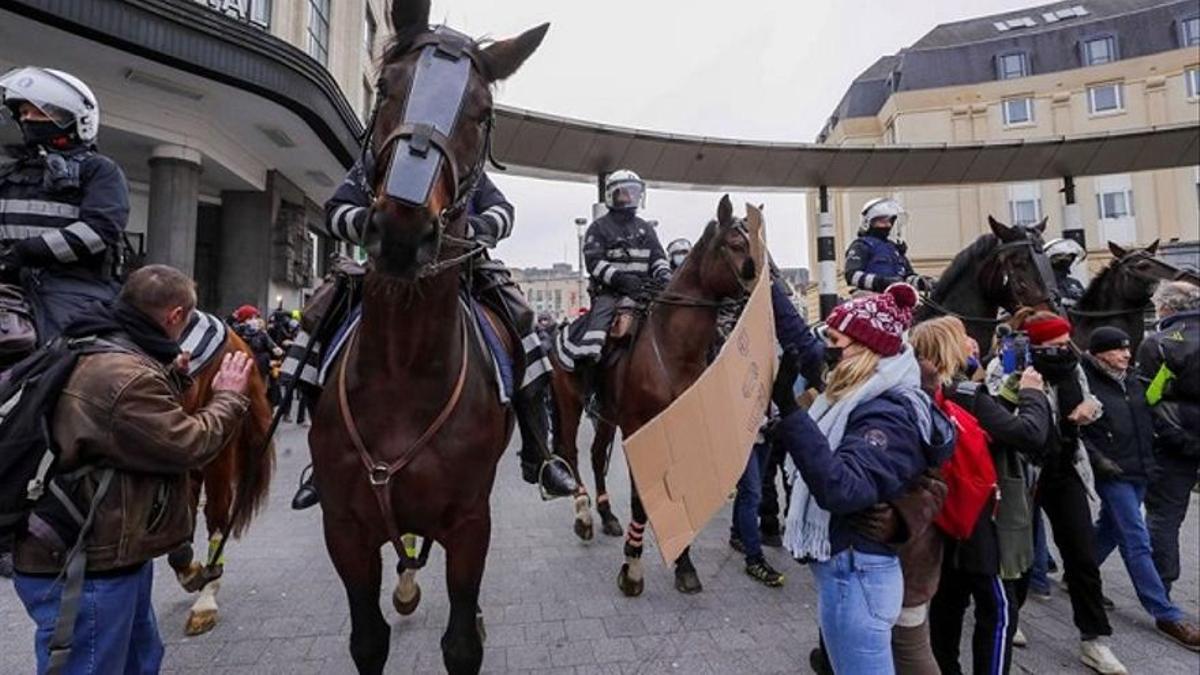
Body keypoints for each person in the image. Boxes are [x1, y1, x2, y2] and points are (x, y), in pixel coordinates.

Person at [288, 158, 575, 508]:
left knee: (523, 326)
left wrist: (466, 229)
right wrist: (374, 224)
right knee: (314, 326)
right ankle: (323, 462)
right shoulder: (378, 162)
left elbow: (503, 212)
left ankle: (540, 454)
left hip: (463, 272)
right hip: (384, 270)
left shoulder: (463, 166)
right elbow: (336, 211)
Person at [10, 264, 253, 674]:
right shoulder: (123, 374)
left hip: (108, 553)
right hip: (85, 564)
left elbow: (120, 427)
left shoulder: (94, 341)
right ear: (175, 316)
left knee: (139, 660)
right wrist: (227, 397)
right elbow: (189, 445)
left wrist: (173, 379)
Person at [773, 283, 955, 674]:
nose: (827, 350)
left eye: (835, 340)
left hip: (858, 575)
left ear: (863, 348)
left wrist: (789, 412)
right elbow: (802, 342)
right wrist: (767, 285)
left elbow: (844, 487)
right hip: (847, 571)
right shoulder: (860, 390)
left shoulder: (886, 410)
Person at [991, 310, 1127, 675]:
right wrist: (1020, 386)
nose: (1064, 349)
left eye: (1066, 341)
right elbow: (997, 415)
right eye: (1054, 344)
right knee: (1018, 552)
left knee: (1081, 553)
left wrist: (1088, 409)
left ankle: (1094, 640)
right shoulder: (1008, 367)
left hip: (1065, 468)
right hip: (1022, 472)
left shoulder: (1073, 366)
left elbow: (1091, 400)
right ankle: (1010, 616)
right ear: (1034, 345)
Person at [921, 316, 1053, 675]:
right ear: (948, 348)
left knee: (947, 603)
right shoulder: (964, 394)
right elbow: (1029, 434)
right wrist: (1032, 394)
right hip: (977, 519)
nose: (973, 343)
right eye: (964, 337)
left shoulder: (925, 391)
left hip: (943, 518)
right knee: (998, 609)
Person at [1081, 325, 1200, 650]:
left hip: (1141, 469)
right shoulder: (1085, 382)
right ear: (1099, 353)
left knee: (1108, 528)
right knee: (1136, 539)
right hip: (1113, 472)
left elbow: (1153, 418)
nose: (1126, 354)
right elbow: (1080, 431)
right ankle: (1166, 614)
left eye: (1127, 348)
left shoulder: (1133, 380)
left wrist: (1185, 442)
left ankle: (1079, 570)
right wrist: (1100, 460)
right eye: (1118, 349)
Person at [0, 67, 129, 344]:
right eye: (23, 113)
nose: (27, 119)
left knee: (64, 356)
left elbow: (99, 231)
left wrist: (25, 251)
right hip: (10, 282)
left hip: (74, 288)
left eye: (38, 112)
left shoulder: (99, 170)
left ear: (72, 119)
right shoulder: (8, 173)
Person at [729, 276, 825, 587]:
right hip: (744, 428)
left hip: (769, 425)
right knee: (753, 491)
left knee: (753, 490)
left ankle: (737, 533)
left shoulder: (774, 337)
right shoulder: (728, 332)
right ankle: (754, 558)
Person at [556, 169, 671, 374]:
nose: (630, 197)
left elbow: (658, 257)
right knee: (600, 324)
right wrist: (620, 279)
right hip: (611, 293)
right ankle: (589, 370)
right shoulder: (599, 228)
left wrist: (663, 275)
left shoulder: (646, 228)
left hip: (645, 291)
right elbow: (594, 262)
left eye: (634, 192)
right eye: (625, 192)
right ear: (612, 195)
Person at [1138, 281, 1200, 603]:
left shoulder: (1157, 344)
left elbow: (1147, 397)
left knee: (1164, 517)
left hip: (1175, 441)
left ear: (1165, 308)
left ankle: (1161, 591)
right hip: (1183, 436)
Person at [843, 198, 933, 294]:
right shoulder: (861, 246)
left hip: (898, 298)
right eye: (882, 221)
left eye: (890, 221)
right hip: (870, 299)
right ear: (868, 222)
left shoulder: (895, 249)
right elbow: (851, 276)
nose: (888, 225)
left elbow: (907, 277)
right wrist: (881, 282)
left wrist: (923, 282)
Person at [1044, 238, 1087, 309]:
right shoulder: (1044, 283)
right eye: (1060, 256)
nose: (1067, 259)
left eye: (1070, 257)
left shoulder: (1075, 283)